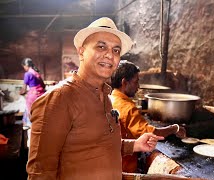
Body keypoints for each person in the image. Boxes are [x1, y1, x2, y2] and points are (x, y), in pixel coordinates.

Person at [26, 17, 164, 180]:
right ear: (81, 51)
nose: (109, 55)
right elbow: (40, 173)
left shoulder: (106, 96)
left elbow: (97, 144)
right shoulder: (59, 99)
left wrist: (134, 145)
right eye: (101, 46)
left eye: (116, 50)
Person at [110, 60, 187, 173]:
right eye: (136, 82)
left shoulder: (110, 99)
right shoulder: (127, 107)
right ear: (124, 82)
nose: (138, 86)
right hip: (125, 169)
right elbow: (151, 134)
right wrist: (174, 128)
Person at [19, 57, 46, 128]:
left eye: (24, 67)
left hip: (32, 96)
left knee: (29, 110)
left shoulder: (27, 74)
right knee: (40, 112)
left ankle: (31, 126)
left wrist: (21, 92)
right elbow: (43, 86)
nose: (24, 68)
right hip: (41, 95)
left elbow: (24, 90)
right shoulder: (37, 73)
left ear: (25, 65)